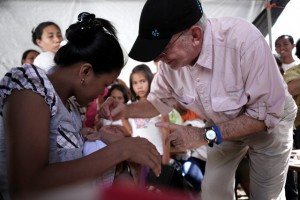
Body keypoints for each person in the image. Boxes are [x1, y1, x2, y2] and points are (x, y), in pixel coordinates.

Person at [100, 0, 297, 199]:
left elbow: (265, 117)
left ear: (195, 35)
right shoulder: (170, 65)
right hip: (221, 123)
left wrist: (202, 135)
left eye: (163, 49)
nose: (159, 58)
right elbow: (157, 102)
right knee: (212, 190)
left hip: (269, 123)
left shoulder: (243, 41)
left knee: (265, 195)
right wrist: (124, 110)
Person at [0, 12, 161, 200]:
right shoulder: (30, 89)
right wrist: (121, 150)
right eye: (104, 84)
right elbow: (26, 186)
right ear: (85, 72)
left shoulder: (71, 107)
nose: (103, 93)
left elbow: (73, 169)